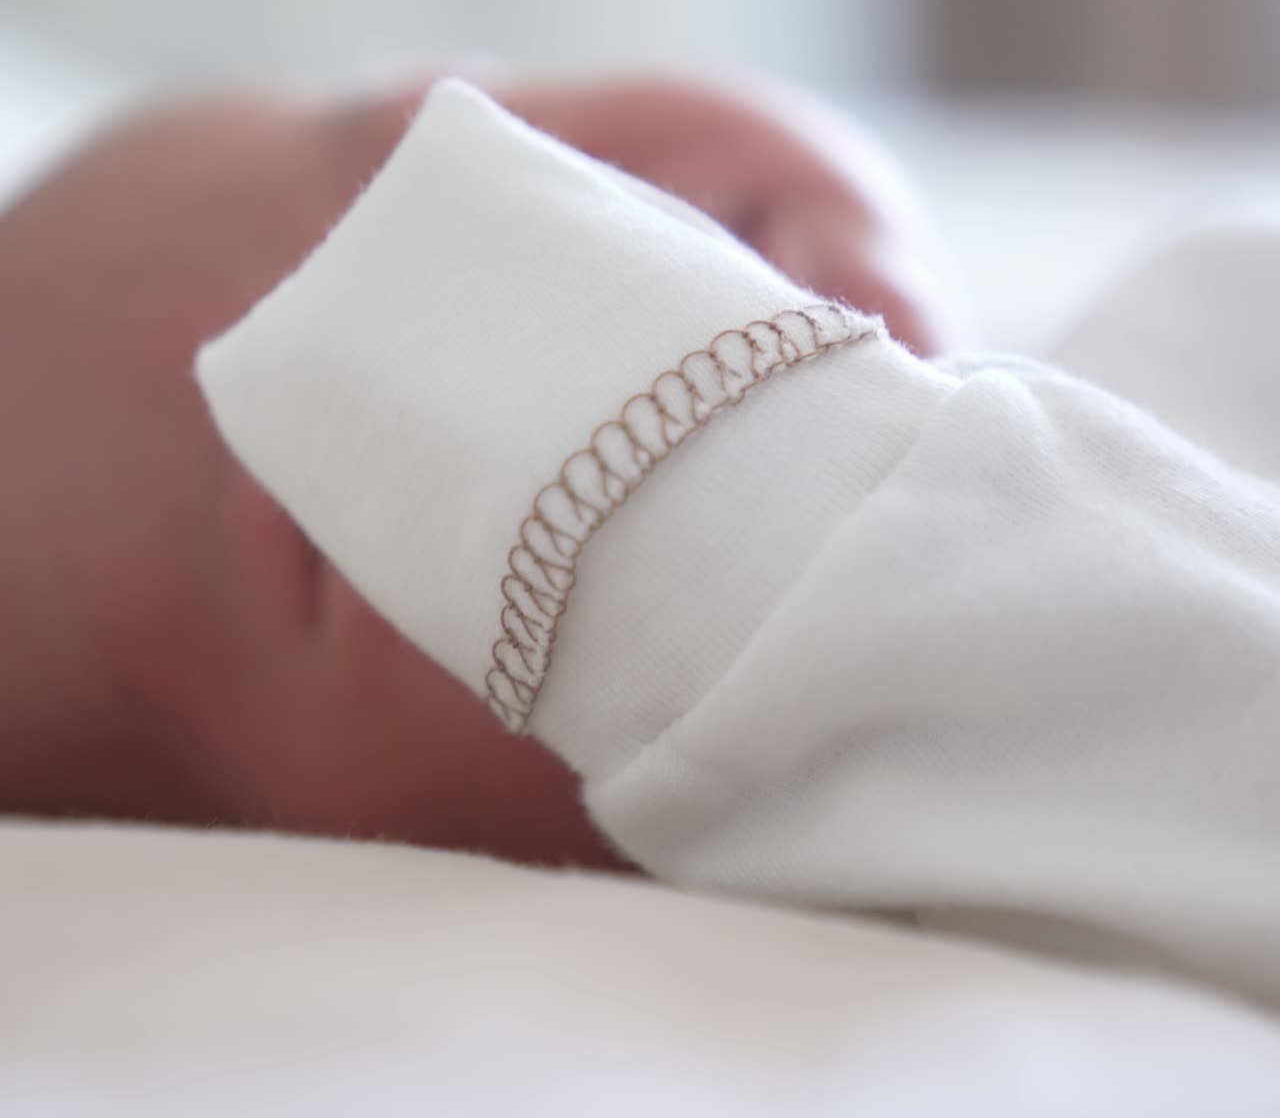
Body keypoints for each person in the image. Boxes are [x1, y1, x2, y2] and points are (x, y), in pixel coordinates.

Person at [3, 72, 1278, 1011]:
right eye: (341, 495)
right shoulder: (999, 824)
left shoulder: (1176, 308)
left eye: (452, 157)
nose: (572, 256)